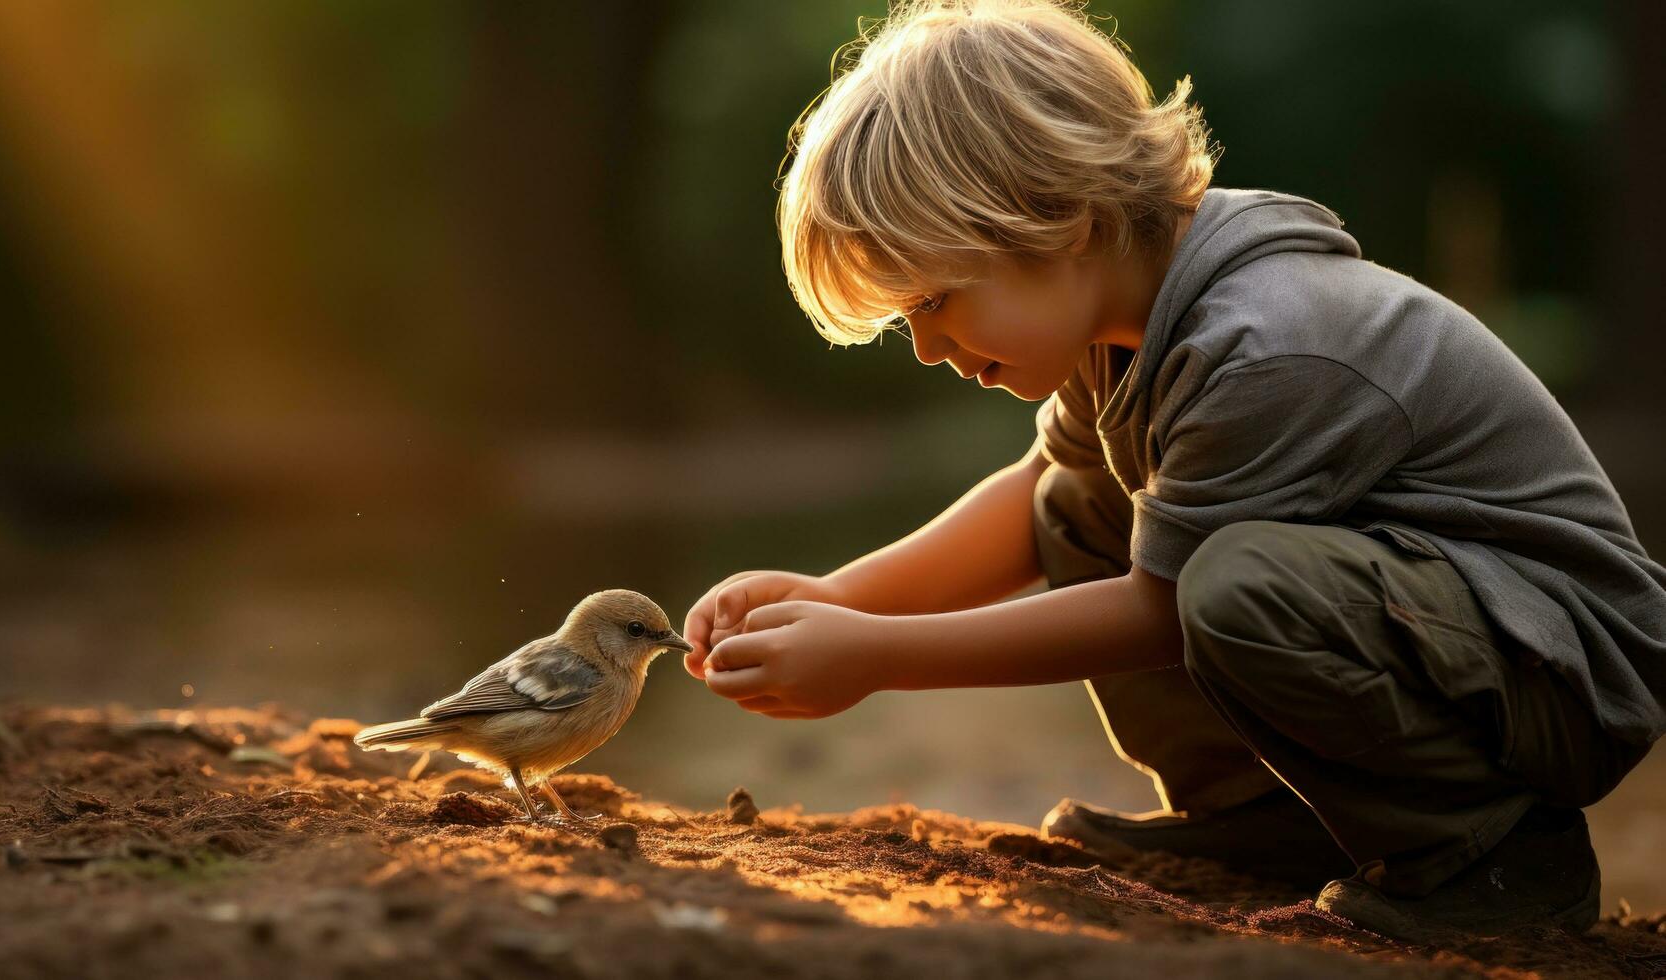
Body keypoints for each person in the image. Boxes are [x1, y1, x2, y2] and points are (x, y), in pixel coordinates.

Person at [681, 0, 1665, 942]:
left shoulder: (1266, 340)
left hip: (1556, 663)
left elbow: (1161, 607)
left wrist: (878, 656)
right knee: (1082, 501)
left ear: (1053, 214)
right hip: (1445, 628)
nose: (927, 347)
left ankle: (1500, 857)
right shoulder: (1121, 324)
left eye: (935, 300)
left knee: (1233, 585)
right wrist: (839, 597)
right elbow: (1038, 504)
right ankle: (1273, 815)